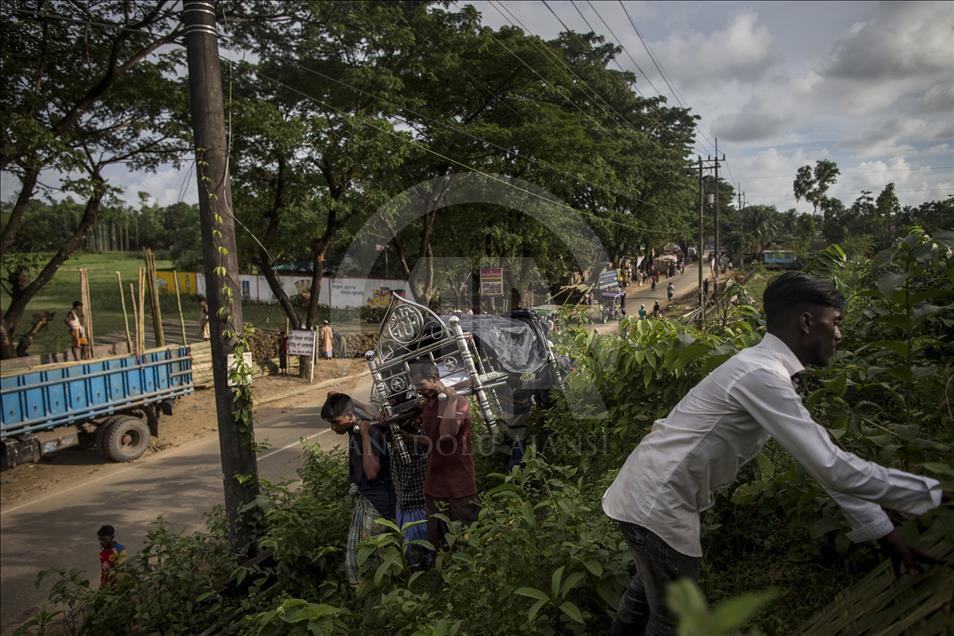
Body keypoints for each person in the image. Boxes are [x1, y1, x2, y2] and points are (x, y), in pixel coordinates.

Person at [602, 272, 944, 635]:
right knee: (674, 619)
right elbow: (830, 466)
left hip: (650, 493)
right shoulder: (761, 375)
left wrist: (880, 527)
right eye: (836, 322)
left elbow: (824, 457)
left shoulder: (763, 370)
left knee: (645, 598)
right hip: (658, 502)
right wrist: (929, 495)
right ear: (807, 322)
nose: (839, 334)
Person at [402, 359, 480, 552]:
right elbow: (432, 442)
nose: (418, 390)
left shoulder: (459, 401)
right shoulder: (429, 405)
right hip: (434, 484)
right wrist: (407, 437)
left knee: (470, 540)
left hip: (458, 483)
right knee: (441, 545)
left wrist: (451, 400)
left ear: (435, 378)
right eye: (415, 386)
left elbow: (446, 435)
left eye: (421, 385)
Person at [321, 393, 395, 585]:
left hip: (378, 503)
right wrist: (361, 406)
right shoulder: (352, 428)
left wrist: (363, 434)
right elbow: (333, 393)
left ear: (348, 417)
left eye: (335, 422)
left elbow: (371, 473)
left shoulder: (368, 433)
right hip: (368, 498)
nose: (333, 427)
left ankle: (375, 591)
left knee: (366, 557)